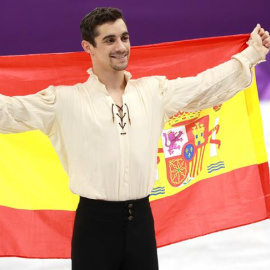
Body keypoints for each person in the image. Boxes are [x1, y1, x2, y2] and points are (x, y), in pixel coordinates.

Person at [0, 6, 269, 270]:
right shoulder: (63, 101)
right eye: (109, 40)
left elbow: (205, 85)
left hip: (141, 223)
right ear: (88, 47)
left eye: (124, 37)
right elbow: (9, 112)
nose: (121, 46)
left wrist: (251, 55)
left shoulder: (155, 91)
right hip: (93, 228)